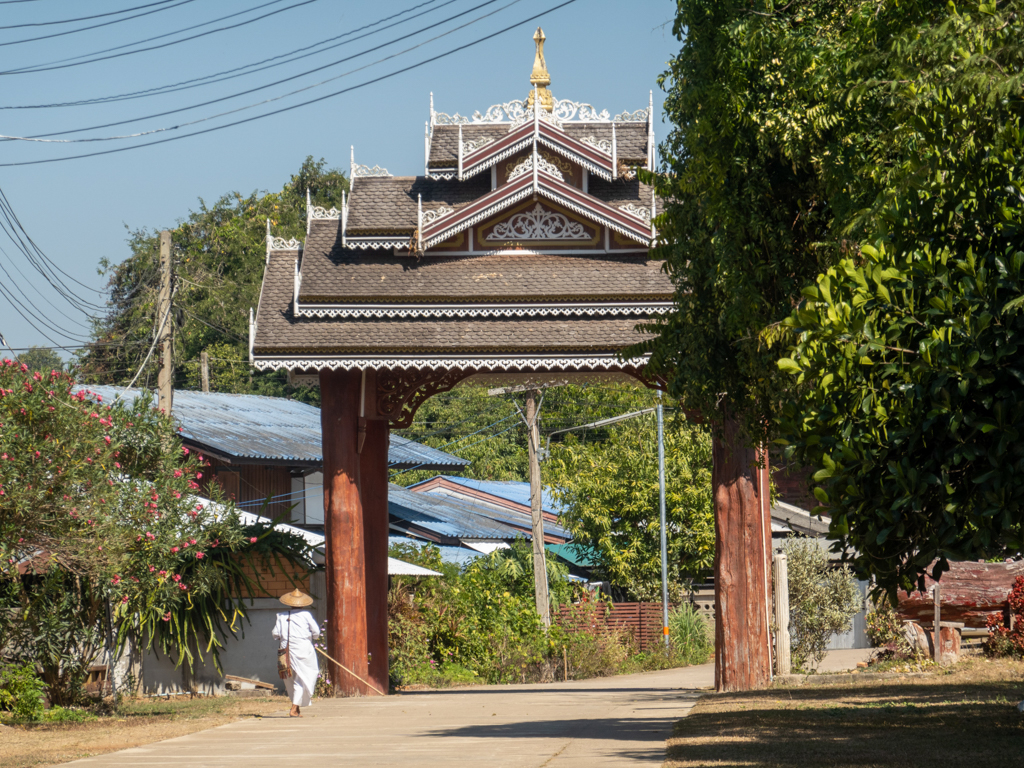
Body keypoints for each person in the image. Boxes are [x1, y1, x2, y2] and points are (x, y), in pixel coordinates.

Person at [272, 588, 320, 717]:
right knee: (305, 676)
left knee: (290, 678)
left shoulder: (281, 616)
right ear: (303, 603)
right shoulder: (306, 615)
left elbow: (275, 634)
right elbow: (316, 632)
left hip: (285, 650)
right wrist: (310, 637)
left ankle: (296, 707)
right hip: (303, 649)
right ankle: (294, 708)